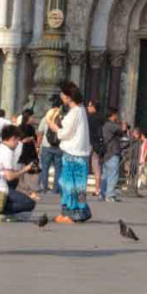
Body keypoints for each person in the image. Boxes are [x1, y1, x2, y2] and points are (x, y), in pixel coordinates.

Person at [49, 80, 91, 223]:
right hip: (81, 154)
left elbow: (65, 133)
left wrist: (54, 127)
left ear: (68, 97)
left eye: (63, 94)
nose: (61, 97)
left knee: (68, 184)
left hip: (72, 154)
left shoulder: (74, 112)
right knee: (79, 186)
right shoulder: (81, 109)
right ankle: (81, 211)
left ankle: (70, 213)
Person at [36, 93, 63, 193]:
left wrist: (38, 146)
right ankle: (56, 189)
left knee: (45, 168)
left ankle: (44, 188)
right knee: (58, 169)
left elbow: (40, 133)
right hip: (59, 147)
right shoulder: (62, 118)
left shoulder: (45, 118)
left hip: (46, 146)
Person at [100, 107, 123, 201]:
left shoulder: (104, 125)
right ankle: (110, 195)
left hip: (105, 153)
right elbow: (121, 131)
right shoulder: (111, 125)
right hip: (112, 152)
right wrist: (122, 125)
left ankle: (103, 193)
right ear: (113, 115)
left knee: (105, 174)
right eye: (116, 115)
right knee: (113, 174)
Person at [86, 99, 105, 197]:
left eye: (89, 106)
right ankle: (97, 189)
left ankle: (82, 188)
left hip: (88, 144)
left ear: (93, 107)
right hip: (98, 145)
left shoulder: (88, 118)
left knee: (84, 165)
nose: (87, 108)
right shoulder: (102, 118)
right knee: (97, 167)